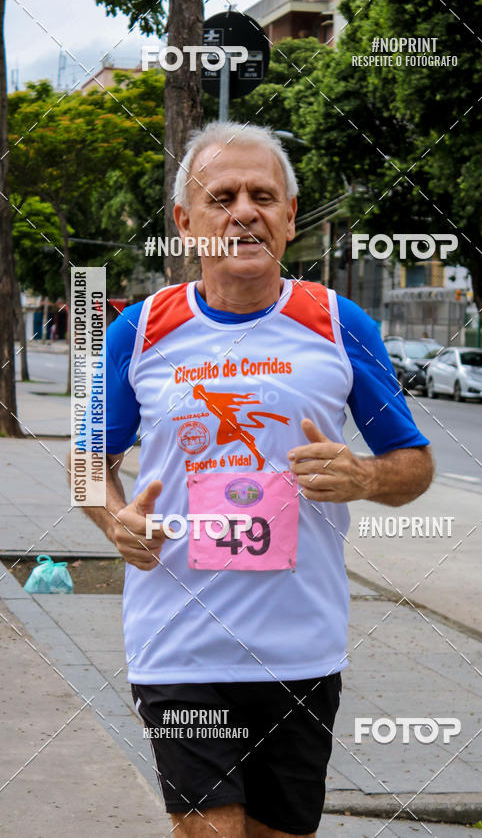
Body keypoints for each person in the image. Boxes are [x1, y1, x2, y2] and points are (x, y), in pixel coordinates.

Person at [78, 121, 433, 837]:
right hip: (178, 642)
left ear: (290, 216)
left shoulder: (339, 322)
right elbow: (89, 463)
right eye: (223, 196)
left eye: (264, 195)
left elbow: (414, 466)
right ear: (187, 222)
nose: (245, 209)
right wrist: (113, 518)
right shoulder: (141, 330)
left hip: (301, 645)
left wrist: (362, 475)